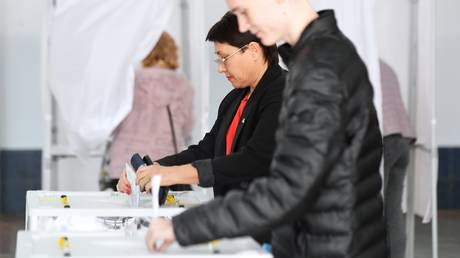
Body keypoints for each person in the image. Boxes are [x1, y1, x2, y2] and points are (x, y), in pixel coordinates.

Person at [145, 1, 387, 258]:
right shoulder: (319, 57)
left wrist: (181, 227)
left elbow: (286, 189)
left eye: (243, 11)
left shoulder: (319, 70)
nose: (243, 24)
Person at [118, 12, 285, 240]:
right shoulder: (235, 99)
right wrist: (152, 170)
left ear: (254, 51)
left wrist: (171, 174)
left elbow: (255, 160)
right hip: (235, 225)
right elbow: (206, 149)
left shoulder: (283, 93)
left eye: (224, 58)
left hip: (270, 231)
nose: (221, 68)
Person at [99, 32, 194, 191]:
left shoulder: (130, 82)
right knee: (167, 214)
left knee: (126, 215)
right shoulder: (182, 85)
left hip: (127, 167)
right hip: (165, 168)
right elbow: (187, 126)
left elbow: (113, 123)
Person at [380, 59, 415, 258]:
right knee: (393, 212)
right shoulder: (386, 65)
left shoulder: (356, 65)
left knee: (373, 211)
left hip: (384, 140)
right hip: (402, 140)